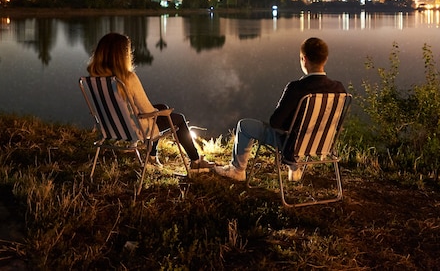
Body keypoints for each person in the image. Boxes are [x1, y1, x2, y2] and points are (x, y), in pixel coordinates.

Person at [214, 37, 346, 182]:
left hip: (291, 146)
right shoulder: (339, 88)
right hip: (322, 143)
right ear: (325, 59)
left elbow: (275, 122)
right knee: (295, 130)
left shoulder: (296, 88)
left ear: (304, 59)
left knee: (244, 125)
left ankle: (237, 170)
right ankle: (295, 167)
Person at [87, 32, 213, 173]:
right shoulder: (127, 78)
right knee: (179, 119)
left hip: (110, 127)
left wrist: (161, 110)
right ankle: (196, 161)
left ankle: (151, 158)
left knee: (161, 107)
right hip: (135, 130)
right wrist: (165, 113)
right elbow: (148, 111)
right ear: (123, 55)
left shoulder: (94, 79)